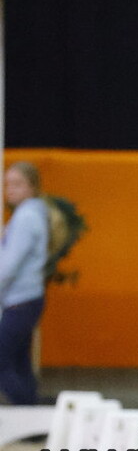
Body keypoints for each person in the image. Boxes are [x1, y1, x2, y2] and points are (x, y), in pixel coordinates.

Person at [0, 161, 49, 405]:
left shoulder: (26, 216)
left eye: (18, 184)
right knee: (19, 361)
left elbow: (8, 265)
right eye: (8, 184)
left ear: (32, 187)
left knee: (3, 360)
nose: (10, 189)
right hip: (28, 298)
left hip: (20, 299)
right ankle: (31, 409)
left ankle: (27, 407)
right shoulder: (30, 214)